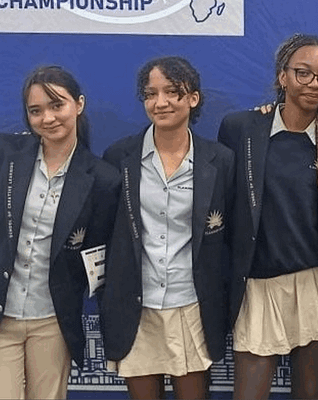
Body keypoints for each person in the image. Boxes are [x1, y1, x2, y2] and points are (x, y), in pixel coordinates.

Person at [217, 33, 318, 400]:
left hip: (314, 284)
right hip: (257, 285)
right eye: (303, 72)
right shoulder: (241, 129)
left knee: (309, 394)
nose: (314, 83)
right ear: (283, 76)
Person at [0, 65, 120, 399]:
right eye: (35, 111)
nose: (47, 118)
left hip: (52, 322)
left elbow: (95, 259)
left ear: (79, 104)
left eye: (57, 105)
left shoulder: (103, 179)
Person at [101, 56, 234, 400]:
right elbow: (106, 234)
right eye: (150, 94)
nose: (160, 102)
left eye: (172, 92)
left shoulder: (220, 161)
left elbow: (231, 238)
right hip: (135, 307)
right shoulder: (119, 157)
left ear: (193, 98)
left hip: (190, 305)